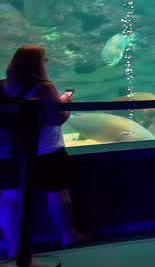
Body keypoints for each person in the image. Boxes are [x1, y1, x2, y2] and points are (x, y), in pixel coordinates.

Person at [0, 45, 91, 255]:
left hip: (8, 152)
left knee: (9, 200)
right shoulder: (43, 87)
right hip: (44, 149)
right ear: (38, 64)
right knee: (57, 194)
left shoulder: (2, 85)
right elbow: (56, 119)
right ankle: (68, 236)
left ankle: (15, 247)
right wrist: (64, 104)